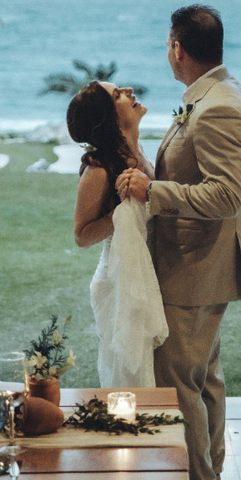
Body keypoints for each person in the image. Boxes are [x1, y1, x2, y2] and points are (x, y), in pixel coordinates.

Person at [116, 4, 241, 480]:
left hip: (195, 267)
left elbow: (226, 195)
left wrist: (153, 192)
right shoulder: (213, 93)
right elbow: (193, 175)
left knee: (181, 389)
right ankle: (211, 471)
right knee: (205, 382)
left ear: (178, 49)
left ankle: (200, 477)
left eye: (167, 45)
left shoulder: (219, 106)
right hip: (199, 266)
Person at [66, 81, 167, 388]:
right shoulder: (99, 171)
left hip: (148, 273)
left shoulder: (137, 153)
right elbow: (82, 236)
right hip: (120, 282)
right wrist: (121, 210)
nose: (130, 90)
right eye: (118, 94)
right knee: (129, 380)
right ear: (108, 118)